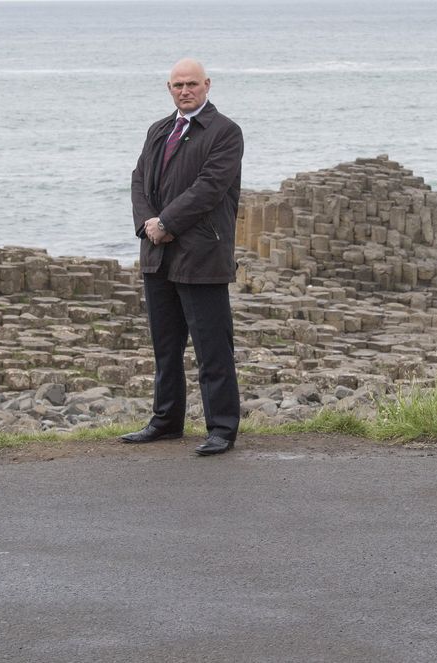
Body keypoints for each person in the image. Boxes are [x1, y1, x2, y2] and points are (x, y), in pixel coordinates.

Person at [123, 58, 244, 457]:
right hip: (158, 254)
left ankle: (222, 429)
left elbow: (209, 188)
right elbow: (140, 180)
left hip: (202, 254)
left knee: (212, 348)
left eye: (192, 83)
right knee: (165, 346)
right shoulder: (159, 130)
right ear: (168, 88)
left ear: (207, 85)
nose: (185, 90)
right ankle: (166, 421)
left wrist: (168, 222)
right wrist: (148, 224)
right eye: (178, 85)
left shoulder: (225, 132)